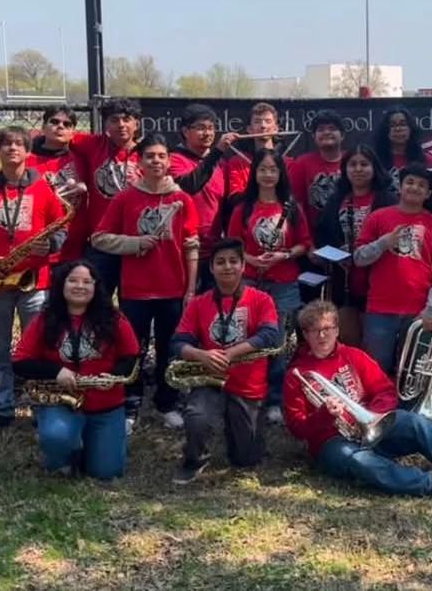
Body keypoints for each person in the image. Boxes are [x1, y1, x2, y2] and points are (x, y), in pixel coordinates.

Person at [283, 300, 432, 506]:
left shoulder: (354, 356)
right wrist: (324, 415)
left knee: (415, 422)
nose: (322, 336)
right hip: (333, 443)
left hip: (373, 430)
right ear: (306, 334)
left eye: (327, 328)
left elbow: (385, 390)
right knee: (359, 461)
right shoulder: (297, 374)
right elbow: (296, 427)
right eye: (314, 330)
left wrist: (375, 416)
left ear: (337, 330)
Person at [91, 133, 200, 433]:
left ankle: (167, 402)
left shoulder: (182, 199)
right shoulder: (125, 198)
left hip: (173, 289)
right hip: (136, 291)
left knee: (169, 349)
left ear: (169, 161)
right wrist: (134, 243)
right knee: (132, 349)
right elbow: (99, 238)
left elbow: (191, 245)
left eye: (162, 156)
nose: (156, 161)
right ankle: (131, 402)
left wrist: (191, 288)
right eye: (150, 156)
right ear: (139, 162)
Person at [0, 126, 67, 432]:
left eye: (19, 144)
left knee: (37, 348)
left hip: (34, 281)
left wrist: (51, 245)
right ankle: (2, 407)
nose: (12, 148)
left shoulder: (44, 188)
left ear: (27, 151)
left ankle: (40, 406)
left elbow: (61, 229)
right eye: (6, 144)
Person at [12, 260, 140, 478]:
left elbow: (131, 355)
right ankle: (63, 454)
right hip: (62, 402)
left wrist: (113, 376)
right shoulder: (45, 319)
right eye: (73, 280)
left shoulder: (114, 318)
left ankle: (87, 446)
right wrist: (56, 372)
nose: (80, 286)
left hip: (105, 405)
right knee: (57, 438)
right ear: (62, 285)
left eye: (87, 282)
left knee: (106, 472)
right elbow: (20, 362)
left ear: (95, 287)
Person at [169, 239, 282, 483]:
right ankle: (195, 457)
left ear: (243, 266)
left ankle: (238, 434)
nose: (227, 266)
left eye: (233, 261)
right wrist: (201, 355)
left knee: (246, 460)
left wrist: (230, 353)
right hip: (210, 377)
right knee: (197, 417)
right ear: (211, 268)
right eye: (220, 262)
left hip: (247, 384)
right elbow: (178, 342)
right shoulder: (199, 303)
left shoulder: (262, 299)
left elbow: (270, 335)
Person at [227, 149, 310, 423]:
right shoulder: (243, 208)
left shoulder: (292, 208)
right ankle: (246, 393)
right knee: (247, 338)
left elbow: (304, 244)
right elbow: (232, 243)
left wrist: (282, 256)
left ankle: (275, 399)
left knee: (277, 343)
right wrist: (250, 259)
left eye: (273, 169)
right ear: (254, 173)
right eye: (262, 169)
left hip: (283, 283)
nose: (267, 175)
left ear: (281, 174)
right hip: (251, 281)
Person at [353, 164, 432, 375]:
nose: (414, 188)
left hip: (419, 311)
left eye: (421, 185)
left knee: (414, 372)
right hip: (380, 308)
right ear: (400, 186)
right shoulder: (378, 217)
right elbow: (359, 258)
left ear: (428, 193)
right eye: (410, 182)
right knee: (375, 370)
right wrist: (383, 243)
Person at [315, 145, 397, 344]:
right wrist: (335, 254)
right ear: (345, 169)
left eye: (364, 164)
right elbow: (323, 234)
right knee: (348, 337)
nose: (358, 169)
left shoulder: (388, 200)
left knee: (376, 341)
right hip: (344, 279)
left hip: (379, 279)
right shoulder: (336, 199)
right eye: (352, 164)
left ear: (374, 168)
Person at [72, 97, 143, 297]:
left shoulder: (147, 153)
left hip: (135, 241)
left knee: (132, 304)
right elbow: (61, 137)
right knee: (96, 301)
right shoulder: (93, 145)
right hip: (102, 241)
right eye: (114, 120)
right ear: (105, 124)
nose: (121, 125)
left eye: (126, 119)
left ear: (136, 124)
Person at [169, 104, 238, 289]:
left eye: (211, 128)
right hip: (184, 250)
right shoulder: (174, 159)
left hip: (214, 251)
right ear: (185, 131)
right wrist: (217, 152)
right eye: (200, 128)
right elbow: (189, 186)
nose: (207, 133)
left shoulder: (221, 163)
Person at [27, 105, 87, 261]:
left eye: (67, 124)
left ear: (72, 132)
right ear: (43, 126)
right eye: (54, 122)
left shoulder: (82, 158)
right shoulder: (26, 161)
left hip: (75, 247)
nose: (60, 126)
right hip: (37, 246)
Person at [290, 109, 346, 233]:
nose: (326, 132)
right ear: (314, 137)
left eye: (332, 128)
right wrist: (306, 239)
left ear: (342, 135)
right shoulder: (301, 163)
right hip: (314, 235)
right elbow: (297, 204)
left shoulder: (352, 161)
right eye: (321, 129)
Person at [373, 106, 432, 196]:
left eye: (403, 124)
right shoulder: (374, 160)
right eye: (392, 125)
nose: (398, 129)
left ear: (411, 129)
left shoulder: (427, 160)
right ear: (385, 131)